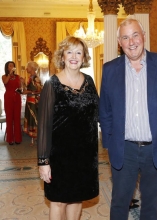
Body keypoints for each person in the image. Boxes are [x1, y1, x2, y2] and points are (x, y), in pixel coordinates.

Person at [99, 18, 157, 220]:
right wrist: (109, 143)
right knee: (120, 203)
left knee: (151, 205)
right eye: (125, 37)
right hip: (124, 148)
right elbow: (105, 110)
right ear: (120, 43)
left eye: (135, 35)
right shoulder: (110, 69)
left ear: (144, 36)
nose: (131, 42)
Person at [37, 36, 99, 219]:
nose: (74, 56)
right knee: (58, 200)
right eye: (69, 51)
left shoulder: (89, 82)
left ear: (84, 57)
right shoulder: (52, 84)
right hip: (60, 156)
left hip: (85, 155)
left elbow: (98, 112)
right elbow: (43, 127)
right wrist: (43, 162)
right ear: (62, 56)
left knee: (76, 198)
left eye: (78, 52)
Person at [2, 61, 22, 145]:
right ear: (7, 68)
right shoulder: (4, 76)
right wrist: (10, 74)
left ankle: (17, 139)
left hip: (17, 97)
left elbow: (20, 88)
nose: (12, 67)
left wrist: (22, 83)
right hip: (8, 97)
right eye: (10, 66)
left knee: (17, 118)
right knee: (9, 118)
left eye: (13, 66)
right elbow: (5, 82)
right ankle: (10, 139)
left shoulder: (17, 76)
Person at [23, 61, 42, 146]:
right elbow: (27, 89)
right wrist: (23, 83)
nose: (26, 69)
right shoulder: (30, 77)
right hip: (29, 101)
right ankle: (33, 138)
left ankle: (35, 138)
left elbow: (39, 90)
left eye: (28, 67)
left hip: (34, 101)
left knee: (34, 119)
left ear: (32, 68)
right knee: (31, 119)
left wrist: (28, 92)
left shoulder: (36, 78)